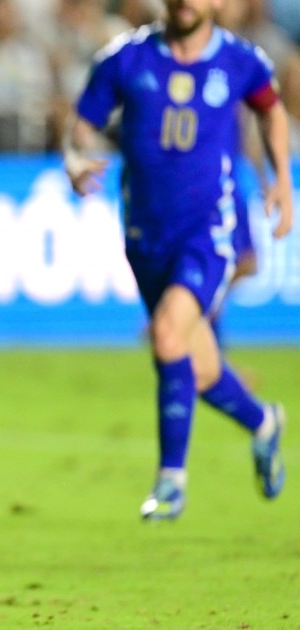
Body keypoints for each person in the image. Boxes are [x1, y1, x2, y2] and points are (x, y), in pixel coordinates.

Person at [64, 0, 291, 521]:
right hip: (145, 236)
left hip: (209, 231)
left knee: (167, 335)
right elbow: (82, 123)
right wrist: (75, 159)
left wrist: (281, 178)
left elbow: (271, 110)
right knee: (201, 370)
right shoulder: (126, 59)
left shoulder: (240, 60)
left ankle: (171, 480)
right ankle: (264, 423)